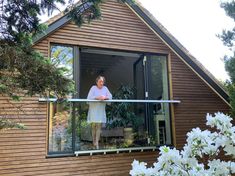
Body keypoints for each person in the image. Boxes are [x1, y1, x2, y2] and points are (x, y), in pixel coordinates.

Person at [87, 76, 112, 149]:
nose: (102, 83)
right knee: (93, 126)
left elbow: (110, 96)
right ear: (97, 82)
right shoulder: (93, 88)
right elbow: (88, 98)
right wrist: (97, 97)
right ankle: (93, 140)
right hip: (94, 110)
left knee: (99, 126)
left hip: (101, 110)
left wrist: (105, 98)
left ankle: (97, 142)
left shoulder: (105, 88)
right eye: (100, 81)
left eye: (103, 81)